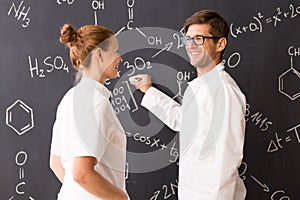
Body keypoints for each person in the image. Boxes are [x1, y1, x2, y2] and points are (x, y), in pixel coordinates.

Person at [130, 10, 247, 199]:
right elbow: (183, 121)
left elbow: (228, 158)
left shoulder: (224, 91)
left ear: (220, 44)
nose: (191, 45)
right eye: (188, 39)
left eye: (199, 39)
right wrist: (148, 90)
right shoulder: (199, 86)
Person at [49, 24, 129, 200]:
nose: (120, 58)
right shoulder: (97, 104)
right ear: (99, 55)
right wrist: (122, 198)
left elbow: (56, 163)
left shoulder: (69, 98)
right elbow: (81, 173)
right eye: (115, 51)